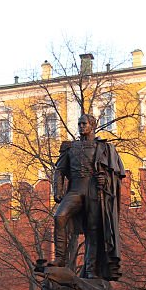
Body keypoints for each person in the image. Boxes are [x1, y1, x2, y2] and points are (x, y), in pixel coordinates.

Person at [49, 113, 124, 281]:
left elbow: (115, 174)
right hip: (75, 189)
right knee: (59, 216)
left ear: (92, 125)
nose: (81, 126)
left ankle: (91, 270)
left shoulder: (103, 148)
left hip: (93, 191)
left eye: (84, 124)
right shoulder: (70, 147)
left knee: (93, 231)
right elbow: (59, 170)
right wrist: (58, 190)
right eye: (79, 124)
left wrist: (105, 180)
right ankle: (60, 259)